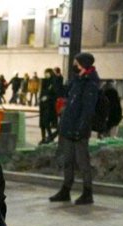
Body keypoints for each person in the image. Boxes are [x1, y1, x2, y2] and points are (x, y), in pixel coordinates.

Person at [48, 52, 100, 205]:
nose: (74, 67)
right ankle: (66, 189)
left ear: (83, 65)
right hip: (68, 126)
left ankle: (87, 192)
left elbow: (87, 109)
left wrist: (81, 128)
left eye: (76, 64)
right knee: (68, 160)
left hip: (79, 129)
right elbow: (65, 95)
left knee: (83, 162)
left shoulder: (90, 83)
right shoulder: (77, 81)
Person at [38, 68, 61, 144]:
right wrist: (40, 99)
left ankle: (50, 137)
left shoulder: (54, 82)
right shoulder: (44, 81)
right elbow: (41, 92)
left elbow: (56, 94)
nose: (46, 74)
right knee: (42, 124)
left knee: (46, 122)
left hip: (49, 106)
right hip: (42, 105)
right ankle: (43, 138)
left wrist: (47, 97)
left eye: (47, 73)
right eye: (45, 73)